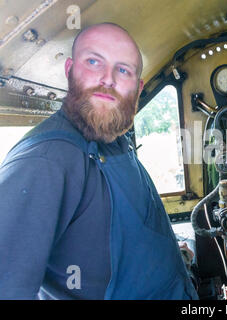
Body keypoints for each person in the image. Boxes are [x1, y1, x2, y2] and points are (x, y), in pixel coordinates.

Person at [0, 22, 198, 300]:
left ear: (138, 88)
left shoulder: (112, 137)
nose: (108, 79)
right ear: (69, 70)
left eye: (123, 70)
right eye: (94, 62)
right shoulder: (45, 161)